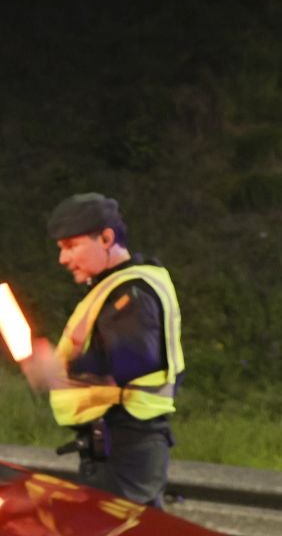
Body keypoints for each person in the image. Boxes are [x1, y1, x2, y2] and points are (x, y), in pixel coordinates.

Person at [18, 192, 184, 507]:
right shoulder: (118, 287)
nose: (62, 259)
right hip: (119, 446)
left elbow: (136, 358)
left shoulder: (131, 291)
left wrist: (60, 370)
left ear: (106, 238)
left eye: (71, 246)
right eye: (60, 249)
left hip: (126, 444)